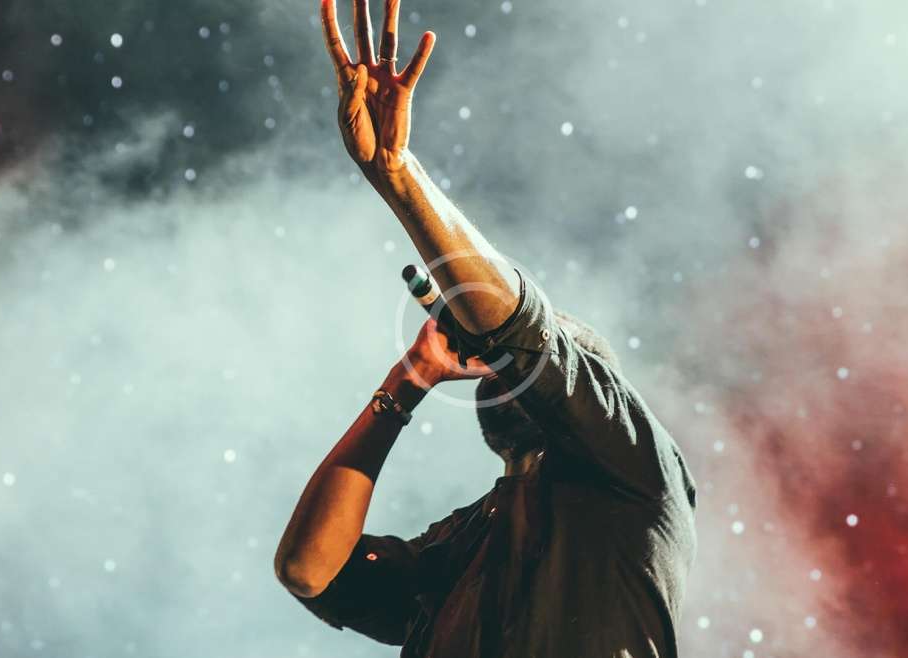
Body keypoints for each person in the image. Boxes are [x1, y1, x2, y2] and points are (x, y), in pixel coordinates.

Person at [274, 1, 698, 655]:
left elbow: (524, 333)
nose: (493, 356)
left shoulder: (635, 469)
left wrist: (399, 177)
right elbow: (310, 569)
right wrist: (409, 380)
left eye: (510, 356)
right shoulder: (463, 541)